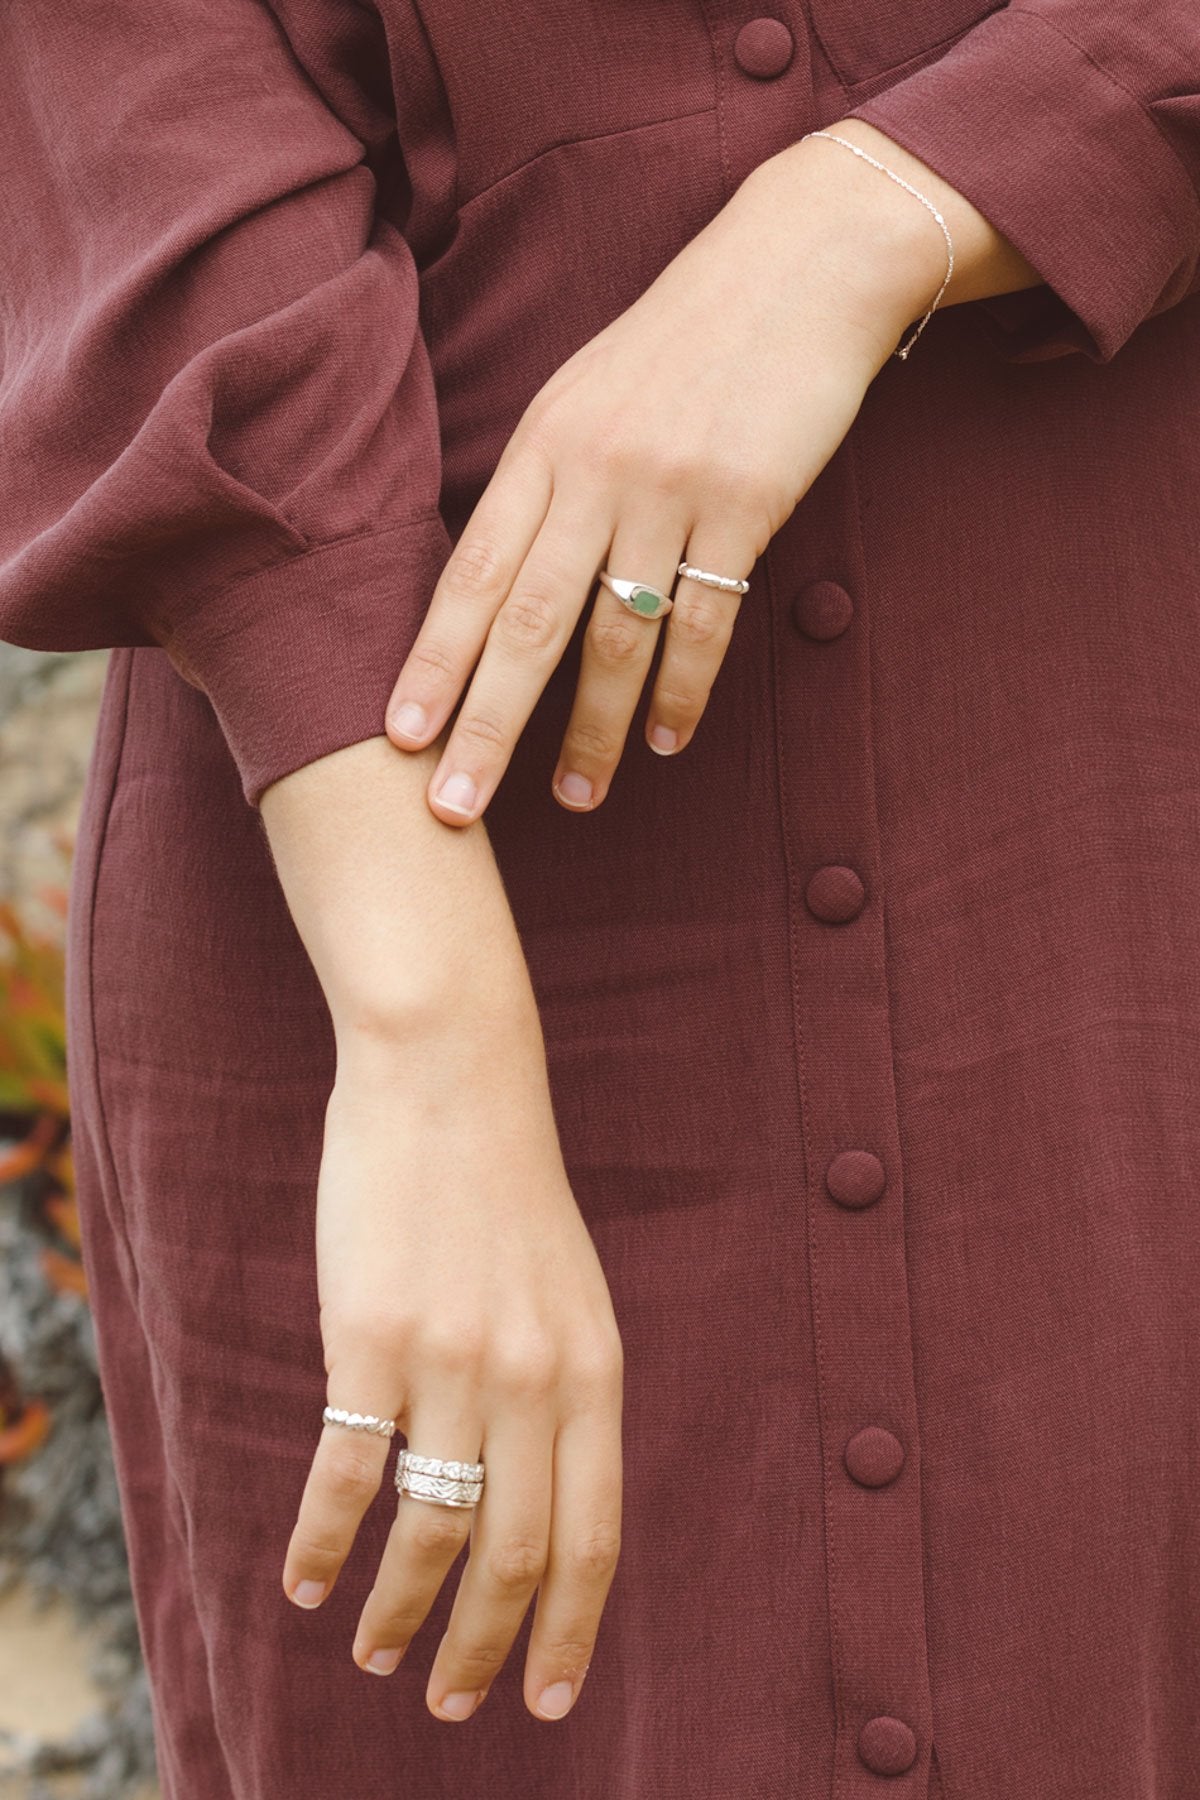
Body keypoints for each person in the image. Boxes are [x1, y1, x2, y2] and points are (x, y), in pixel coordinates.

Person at [2, 1, 1198, 1795]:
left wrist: (864, 216)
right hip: (384, 871)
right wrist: (435, 1045)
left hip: (1090, 819)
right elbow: (139, 128)